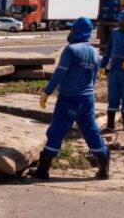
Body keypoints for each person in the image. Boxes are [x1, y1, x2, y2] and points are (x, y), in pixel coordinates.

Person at [33, 17, 109, 180]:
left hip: (69, 99)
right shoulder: (95, 53)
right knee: (91, 132)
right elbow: (94, 79)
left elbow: (59, 73)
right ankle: (104, 169)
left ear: (77, 31)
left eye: (72, 29)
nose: (70, 32)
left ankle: (43, 170)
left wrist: (47, 92)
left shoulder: (71, 50)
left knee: (57, 131)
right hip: (87, 99)